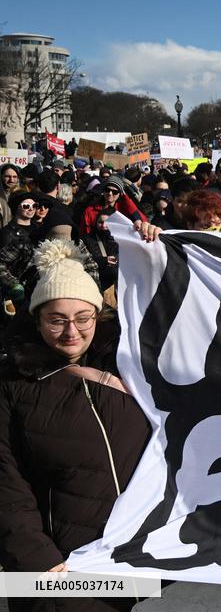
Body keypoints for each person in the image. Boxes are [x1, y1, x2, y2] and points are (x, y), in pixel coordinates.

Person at [0, 222, 161, 612]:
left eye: (83, 318)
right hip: (57, 569)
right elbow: (5, 485)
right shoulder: (11, 383)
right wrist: (37, 563)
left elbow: (185, 318)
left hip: (126, 559)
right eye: (56, 320)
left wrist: (155, 252)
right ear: (37, 319)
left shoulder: (127, 359)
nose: (71, 331)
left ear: (97, 315)